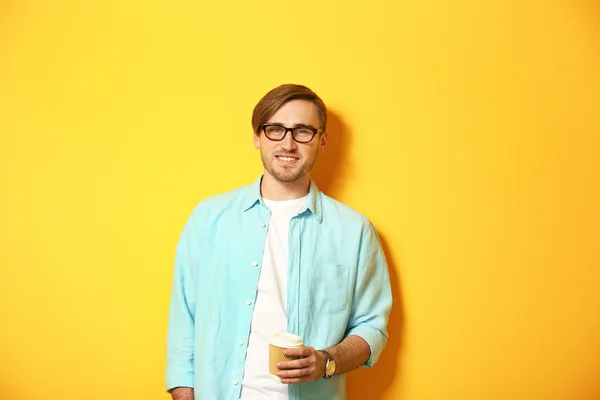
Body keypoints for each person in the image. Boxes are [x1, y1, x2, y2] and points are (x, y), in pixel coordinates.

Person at [166, 84, 392, 400]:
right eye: (275, 129)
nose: (288, 143)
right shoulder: (208, 219)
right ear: (257, 137)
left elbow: (372, 329)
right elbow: (183, 318)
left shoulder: (354, 231)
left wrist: (326, 361)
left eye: (303, 131)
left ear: (322, 140)